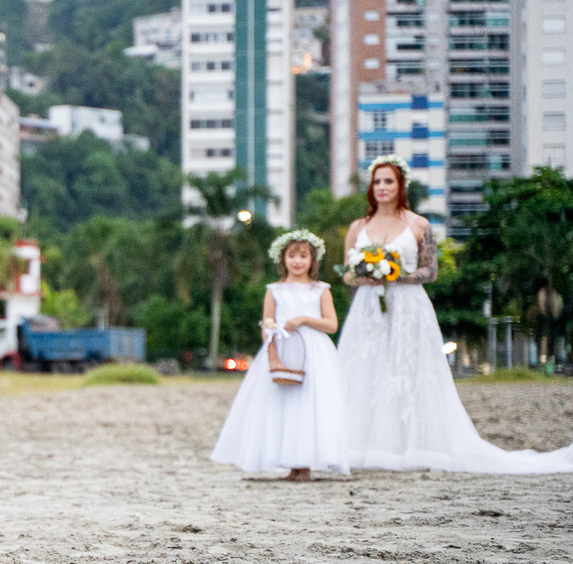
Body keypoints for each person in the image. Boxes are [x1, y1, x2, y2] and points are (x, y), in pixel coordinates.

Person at [338, 155, 573, 473]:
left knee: (406, 370)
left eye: (388, 181)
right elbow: (347, 275)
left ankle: (408, 443)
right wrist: (368, 275)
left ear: (400, 185)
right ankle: (361, 442)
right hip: (368, 307)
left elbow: (430, 271)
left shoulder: (419, 224)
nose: (382, 187)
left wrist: (395, 274)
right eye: (376, 181)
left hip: (408, 305)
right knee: (367, 369)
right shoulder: (358, 227)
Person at [211, 230, 348, 480]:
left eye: (303, 255)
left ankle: (305, 464)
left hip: (313, 352)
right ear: (282, 259)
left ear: (312, 260)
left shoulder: (321, 290)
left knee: (309, 405)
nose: (297, 261)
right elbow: (267, 322)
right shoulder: (274, 290)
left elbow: (331, 324)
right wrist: (271, 337)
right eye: (292, 255)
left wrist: (305, 319)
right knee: (282, 404)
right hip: (281, 349)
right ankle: (290, 464)